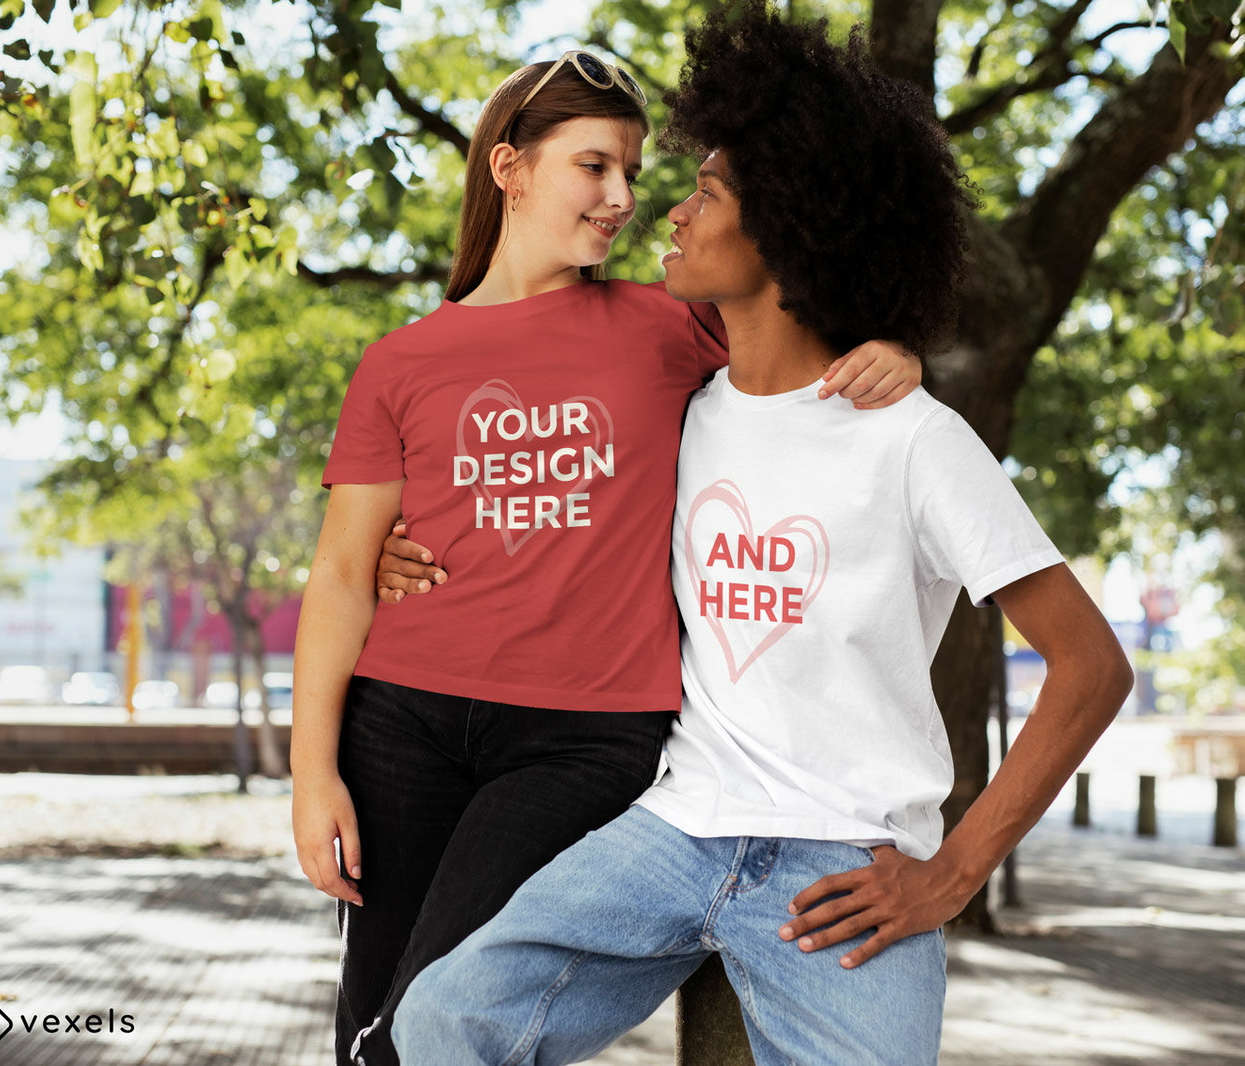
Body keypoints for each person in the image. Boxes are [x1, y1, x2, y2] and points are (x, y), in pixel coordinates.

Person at [389, 6, 1136, 1063]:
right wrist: (395, 551)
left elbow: (1090, 665)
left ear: (786, 225)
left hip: (840, 869)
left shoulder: (914, 440)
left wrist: (950, 873)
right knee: (442, 1022)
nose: (670, 209)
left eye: (708, 189)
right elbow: (530, 516)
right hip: (674, 829)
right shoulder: (675, 411)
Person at [289, 42, 922, 1066]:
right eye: (595, 165)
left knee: (439, 1012)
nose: (623, 196)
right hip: (400, 719)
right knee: (369, 1024)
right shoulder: (400, 361)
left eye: (632, 169)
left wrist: (893, 347)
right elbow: (339, 572)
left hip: (584, 738)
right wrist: (309, 771)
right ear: (511, 168)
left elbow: (803, 351)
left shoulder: (666, 324)